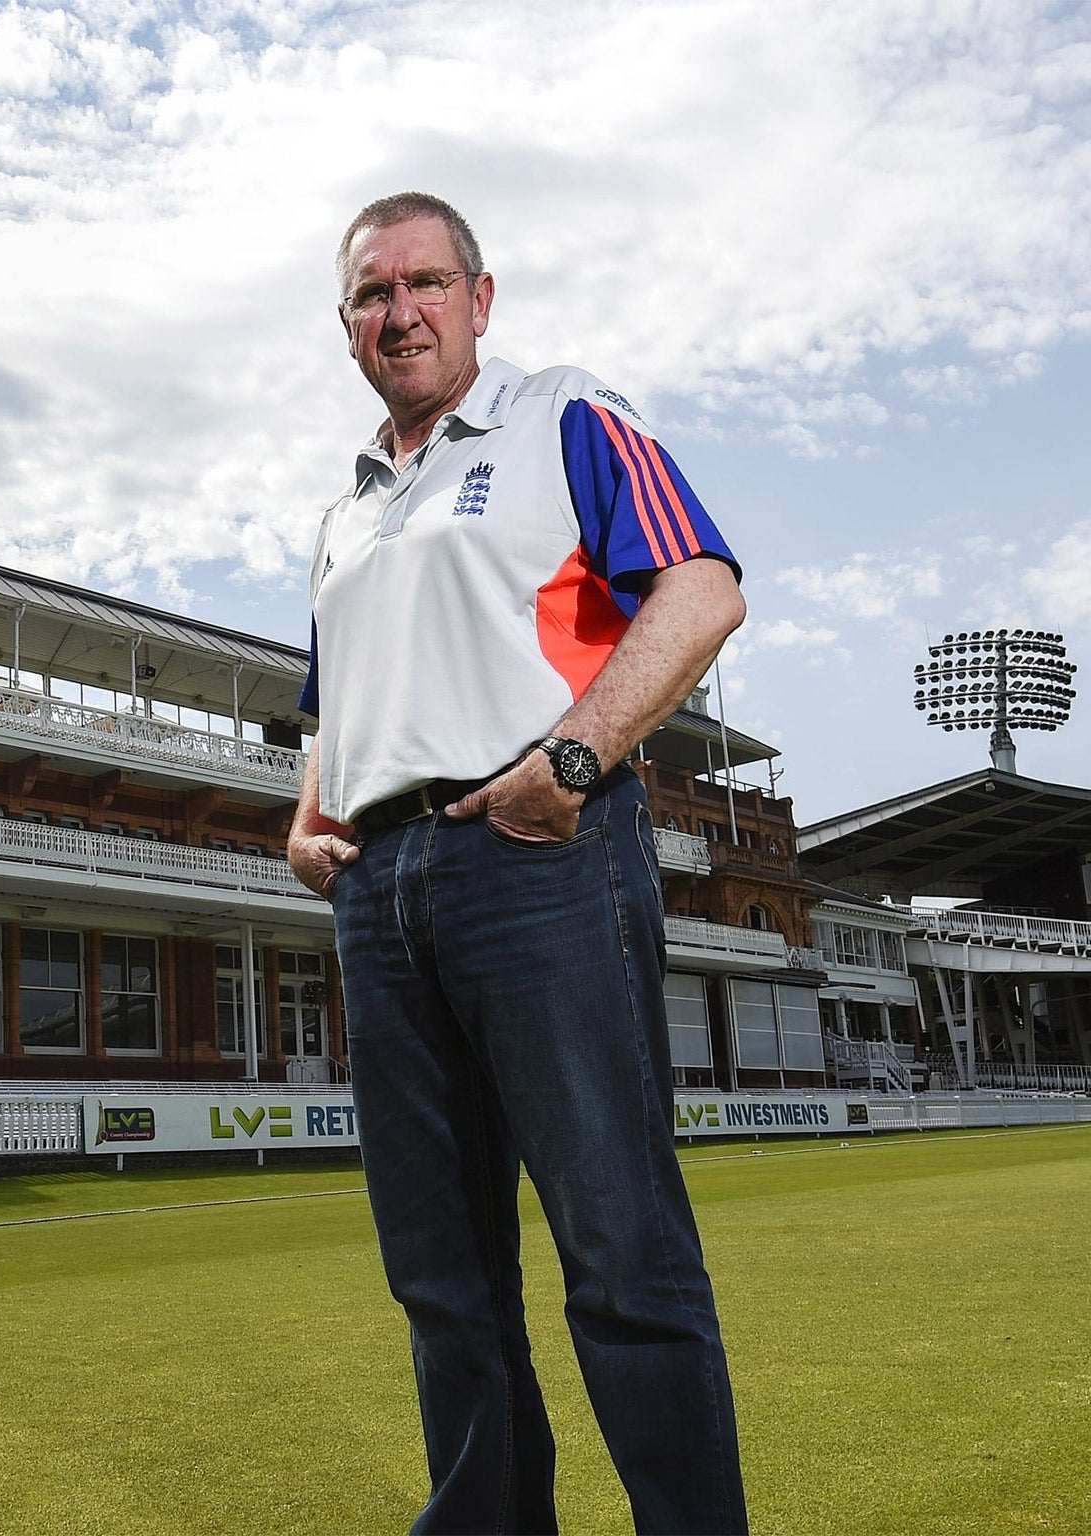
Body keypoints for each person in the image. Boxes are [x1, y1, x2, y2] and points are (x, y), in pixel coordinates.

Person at [289, 192, 750, 1534]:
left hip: (537, 853)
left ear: (479, 300)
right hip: (381, 892)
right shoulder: (344, 516)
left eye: (426, 283)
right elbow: (335, 704)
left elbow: (702, 586)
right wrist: (306, 810)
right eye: (373, 295)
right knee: (441, 1273)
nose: (401, 312)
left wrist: (575, 761)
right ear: (348, 326)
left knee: (616, 1245)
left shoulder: (561, 412)